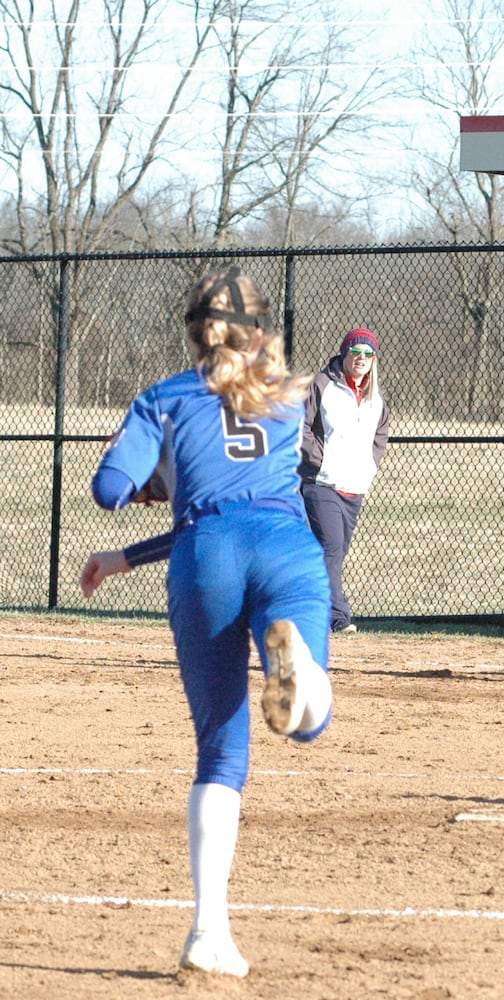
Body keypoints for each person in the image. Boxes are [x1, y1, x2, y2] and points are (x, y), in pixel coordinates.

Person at [83, 266, 335, 978]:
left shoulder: (162, 398)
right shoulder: (290, 398)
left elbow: (111, 490)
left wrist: (144, 476)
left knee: (222, 756)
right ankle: (302, 672)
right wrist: (132, 551)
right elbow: (247, 490)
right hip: (286, 549)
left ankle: (207, 932)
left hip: (204, 560)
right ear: (259, 332)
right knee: (310, 721)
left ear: (193, 329)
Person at [298, 327, 392, 634]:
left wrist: (369, 466)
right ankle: (337, 617)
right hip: (322, 483)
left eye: (367, 354)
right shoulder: (322, 384)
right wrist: (319, 460)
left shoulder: (375, 397)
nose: (361, 358)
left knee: (332, 553)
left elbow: (381, 433)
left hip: (354, 486)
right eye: (355, 352)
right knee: (332, 547)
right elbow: (301, 427)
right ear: (344, 354)